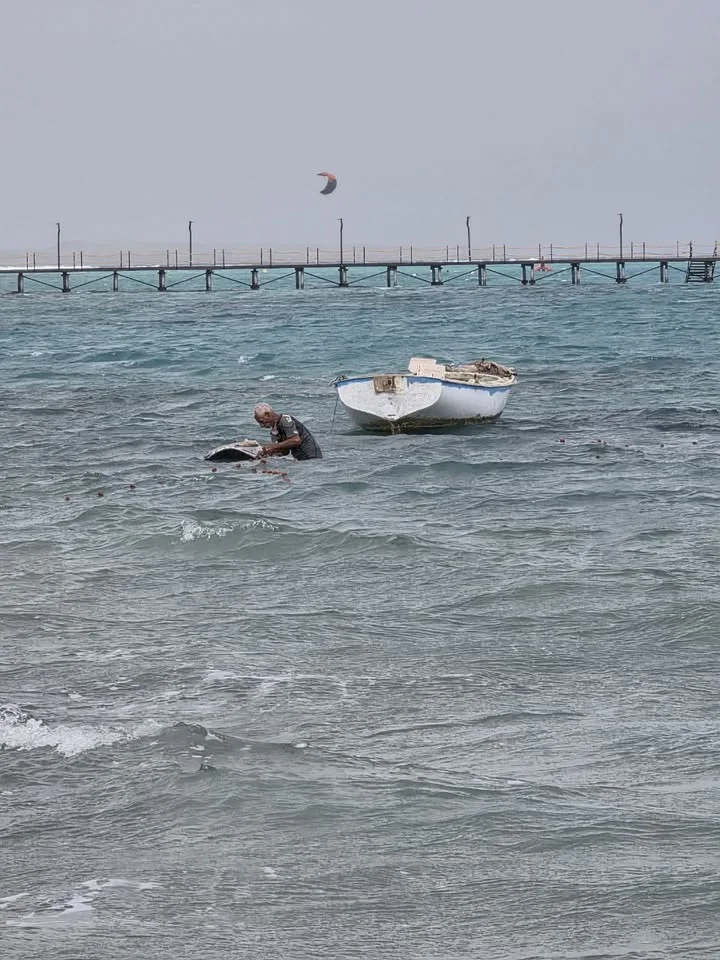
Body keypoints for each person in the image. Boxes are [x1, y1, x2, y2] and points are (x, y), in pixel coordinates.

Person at [253, 403, 323, 460]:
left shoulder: (285, 420)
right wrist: (268, 453)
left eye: (262, 421)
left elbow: (296, 440)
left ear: (268, 414)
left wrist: (273, 446)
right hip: (300, 458)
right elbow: (285, 451)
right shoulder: (275, 429)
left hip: (312, 456)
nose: (261, 425)